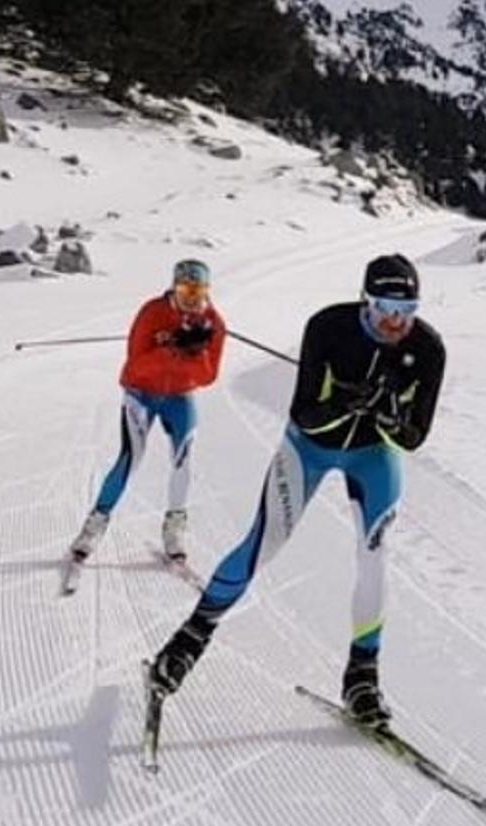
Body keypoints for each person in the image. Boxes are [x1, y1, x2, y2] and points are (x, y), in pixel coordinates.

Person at [147, 252, 445, 725]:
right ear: (366, 301)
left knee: (375, 557)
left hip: (373, 455)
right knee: (263, 544)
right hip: (309, 448)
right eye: (387, 308)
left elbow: (414, 436)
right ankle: (189, 639)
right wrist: (350, 401)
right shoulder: (328, 327)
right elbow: (304, 413)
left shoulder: (428, 350)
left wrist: (389, 415)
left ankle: (362, 677)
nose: (396, 322)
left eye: (406, 312)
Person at [67, 258, 226, 566]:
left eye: (198, 292)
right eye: (185, 291)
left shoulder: (213, 323)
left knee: (184, 460)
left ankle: (174, 527)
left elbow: (208, 377)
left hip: (180, 396)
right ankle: (95, 524)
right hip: (141, 394)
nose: (192, 300)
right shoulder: (153, 312)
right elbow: (134, 365)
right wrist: (171, 349)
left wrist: (197, 351)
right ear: (174, 287)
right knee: (131, 458)